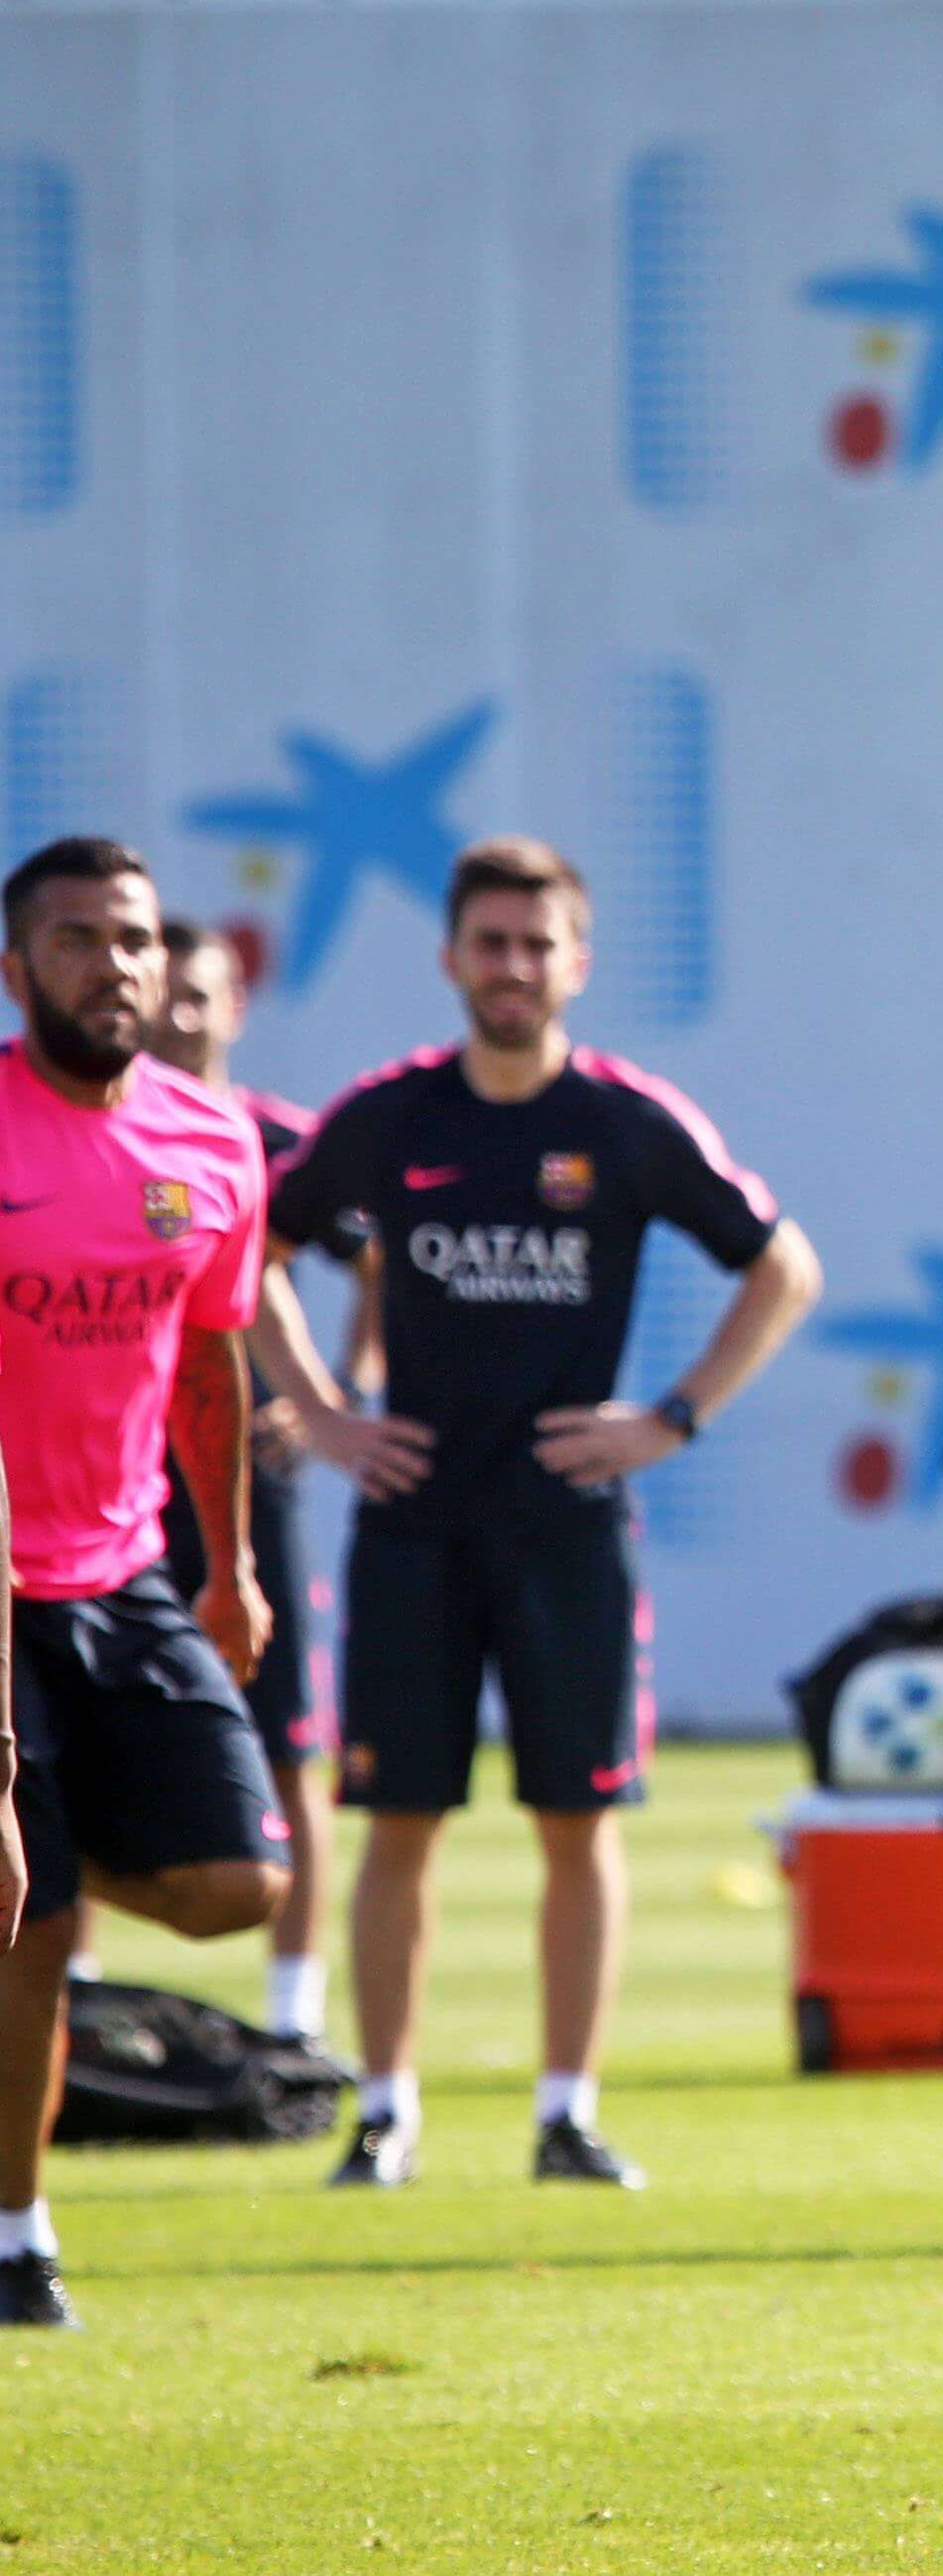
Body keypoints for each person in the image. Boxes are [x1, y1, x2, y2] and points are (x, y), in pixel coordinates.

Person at [265, 838, 819, 2191]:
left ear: (579, 960)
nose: (513, 966)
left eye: (538, 942)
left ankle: (566, 2109)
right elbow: (252, 1250)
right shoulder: (392, 1118)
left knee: (579, 1819)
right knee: (400, 1820)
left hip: (568, 1522)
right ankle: (385, 2105)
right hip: (412, 1525)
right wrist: (328, 1412)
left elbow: (783, 1266)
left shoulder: (627, 1122)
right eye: (491, 942)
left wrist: (669, 1417)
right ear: (452, 959)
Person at [0, 837, 292, 2332]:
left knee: (242, 1882)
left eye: (129, 938)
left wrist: (227, 1562)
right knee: (32, 1935)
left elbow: (213, 1358)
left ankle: (54, 1840)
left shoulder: (211, 1137)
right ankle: (18, 2237)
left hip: (127, 1574)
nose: (111, 965)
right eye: (73, 939)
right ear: (16, 966)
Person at [143, 918, 371, 2047]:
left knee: (287, 1747)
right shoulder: (97, 1137)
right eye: (164, 991)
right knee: (64, 1748)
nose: (181, 1014)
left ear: (237, 1005)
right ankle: (76, 1996)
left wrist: (331, 1398)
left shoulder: (276, 1138)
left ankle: (295, 2020)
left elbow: (365, 1263)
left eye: (203, 993)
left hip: (236, 1477)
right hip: (112, 1485)